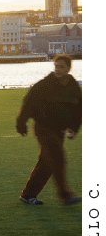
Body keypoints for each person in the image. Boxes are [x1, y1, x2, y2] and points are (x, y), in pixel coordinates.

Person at [15, 53, 81, 206]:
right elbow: (28, 103)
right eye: (56, 66)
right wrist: (21, 123)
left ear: (68, 69)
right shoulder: (44, 84)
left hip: (60, 131)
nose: (58, 69)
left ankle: (27, 195)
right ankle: (65, 195)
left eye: (61, 67)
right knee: (58, 159)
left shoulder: (72, 85)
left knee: (46, 162)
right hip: (43, 128)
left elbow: (78, 109)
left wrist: (74, 127)